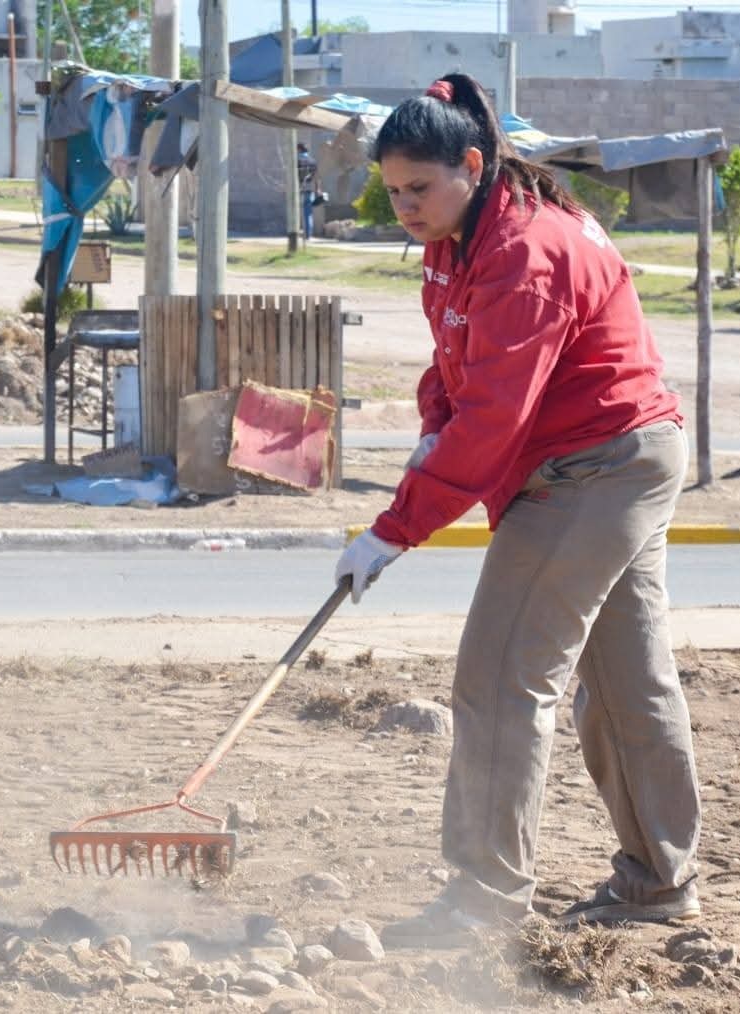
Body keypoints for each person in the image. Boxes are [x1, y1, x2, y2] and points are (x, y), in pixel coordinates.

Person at [333, 73, 702, 948]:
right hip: (621, 454)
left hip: (592, 467)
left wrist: (395, 528)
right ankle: (659, 882)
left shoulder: (525, 250)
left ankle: (481, 902)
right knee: (621, 684)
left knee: (501, 678)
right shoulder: (466, 239)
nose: (405, 208)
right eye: (392, 192)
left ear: (472, 162)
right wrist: (432, 429)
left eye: (419, 189)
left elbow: (498, 413)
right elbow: (456, 364)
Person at [297, 142, 318, 241]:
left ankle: (298, 233)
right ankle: (308, 234)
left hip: (300, 188)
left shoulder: (297, 160)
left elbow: (295, 175)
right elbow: (317, 176)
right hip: (310, 188)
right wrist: (318, 189)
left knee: (298, 211)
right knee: (308, 212)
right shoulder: (313, 161)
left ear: (299, 149)